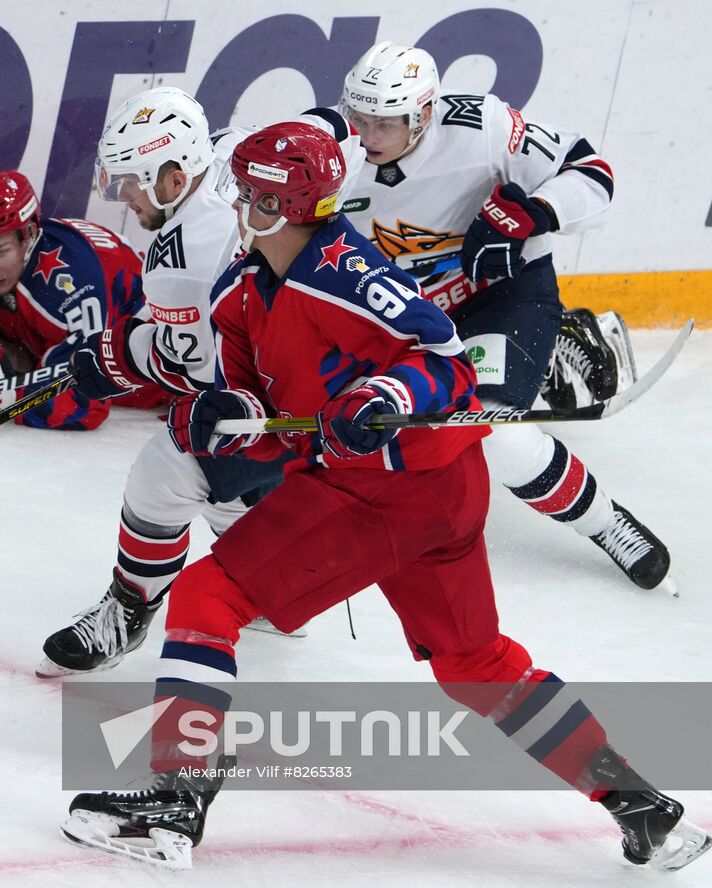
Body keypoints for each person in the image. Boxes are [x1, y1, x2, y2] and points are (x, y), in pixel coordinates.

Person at [59, 121, 709, 874]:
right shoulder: (243, 291)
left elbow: (445, 362)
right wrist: (214, 418)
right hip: (432, 492)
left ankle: (174, 797)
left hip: (388, 493)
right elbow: (263, 422)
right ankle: (640, 804)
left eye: (247, 193)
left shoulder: (347, 275)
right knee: (475, 663)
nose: (235, 202)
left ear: (274, 204)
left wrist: (386, 390)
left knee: (209, 595)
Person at [37, 88, 360, 676]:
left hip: (289, 388)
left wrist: (114, 360)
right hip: (336, 361)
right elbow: (329, 127)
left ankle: (127, 610)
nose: (125, 197)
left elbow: (195, 371)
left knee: (167, 471)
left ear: (175, 173)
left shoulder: (181, 260)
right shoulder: (238, 153)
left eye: (133, 182)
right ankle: (270, 588)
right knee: (231, 484)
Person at [338, 41, 667, 589]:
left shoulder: (482, 126)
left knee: (494, 432)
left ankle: (606, 523)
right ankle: (561, 344)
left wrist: (534, 212)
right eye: (358, 117)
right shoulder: (333, 151)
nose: (367, 136)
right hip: (403, 316)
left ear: (422, 115)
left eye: (384, 124)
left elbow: (592, 173)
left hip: (497, 295)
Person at [0, 170, 166, 430]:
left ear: (29, 234)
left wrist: (0, 395)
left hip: (178, 379)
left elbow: (86, 402)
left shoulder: (70, 282)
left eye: (1, 250)